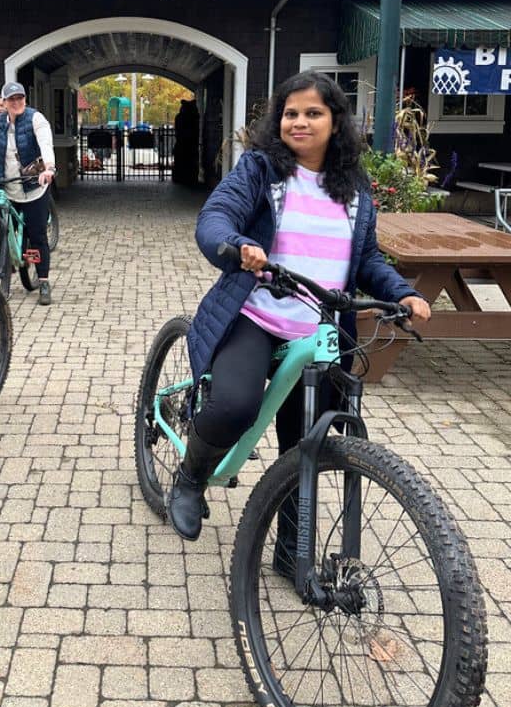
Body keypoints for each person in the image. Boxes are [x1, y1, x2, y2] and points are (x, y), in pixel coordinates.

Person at [169, 70, 431, 544]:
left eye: (314, 113)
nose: (300, 122)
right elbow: (216, 216)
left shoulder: (353, 185)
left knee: (304, 443)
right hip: (257, 315)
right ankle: (190, 478)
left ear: (335, 121)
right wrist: (238, 244)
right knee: (233, 406)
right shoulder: (260, 169)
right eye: (291, 113)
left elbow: (367, 256)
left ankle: (292, 551)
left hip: (320, 330)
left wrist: (402, 292)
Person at [0, 81, 56, 306]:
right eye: (11, 99)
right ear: (4, 102)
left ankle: (44, 281)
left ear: (25, 99)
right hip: (7, 186)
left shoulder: (35, 119)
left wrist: (49, 168)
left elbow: (46, 144)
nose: (16, 102)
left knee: (37, 235)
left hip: (33, 187)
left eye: (20, 98)